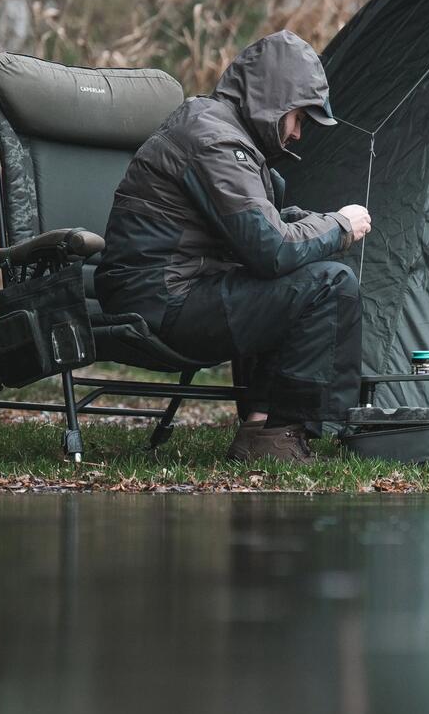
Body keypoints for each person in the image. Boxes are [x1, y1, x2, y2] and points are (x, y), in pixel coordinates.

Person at [95, 30, 372, 463]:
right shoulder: (215, 139)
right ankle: (274, 433)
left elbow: (255, 230)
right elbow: (271, 250)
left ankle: (263, 428)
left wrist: (304, 222)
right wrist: (338, 226)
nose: (299, 134)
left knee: (300, 279)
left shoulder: (218, 132)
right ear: (275, 100)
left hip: (167, 292)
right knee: (329, 284)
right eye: (299, 117)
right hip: (163, 301)